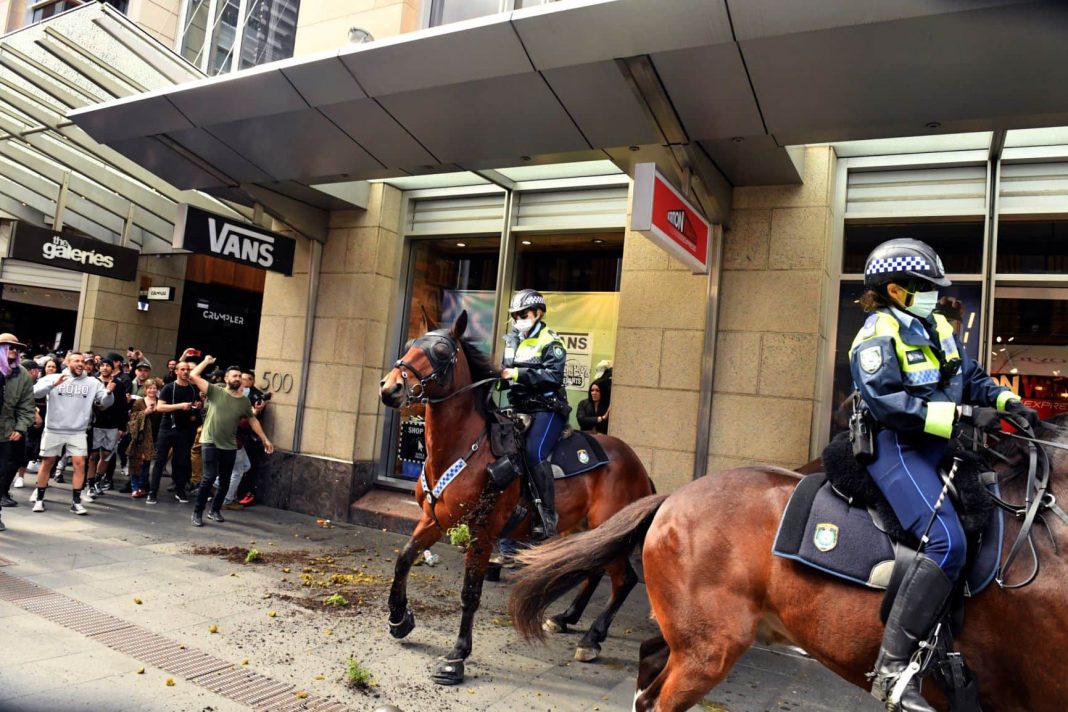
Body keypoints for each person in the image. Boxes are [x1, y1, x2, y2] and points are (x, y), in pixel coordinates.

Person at [850, 238, 1040, 711]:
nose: (935, 294)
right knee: (946, 542)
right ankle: (891, 671)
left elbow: (970, 377)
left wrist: (1005, 402)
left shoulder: (937, 325)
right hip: (897, 445)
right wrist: (960, 417)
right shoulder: (875, 334)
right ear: (895, 289)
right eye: (925, 287)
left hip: (940, 444)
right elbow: (890, 404)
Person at [499, 288, 570, 540]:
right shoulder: (511, 341)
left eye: (523, 313)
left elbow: (553, 377)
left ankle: (547, 516)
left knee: (533, 452)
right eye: (515, 315)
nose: (518, 318)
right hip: (518, 407)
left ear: (538, 313)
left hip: (547, 408)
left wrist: (515, 374)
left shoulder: (551, 340)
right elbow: (504, 375)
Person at [187, 356, 273, 527]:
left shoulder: (243, 401)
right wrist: (206, 361)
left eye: (239, 376)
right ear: (226, 378)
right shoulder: (215, 391)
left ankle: (215, 510)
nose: (238, 379)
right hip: (210, 441)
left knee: (225, 480)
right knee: (209, 477)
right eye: (234, 376)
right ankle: (198, 512)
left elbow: (252, 420)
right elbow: (194, 376)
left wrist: (265, 439)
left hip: (229, 444)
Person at [31, 352, 114, 514]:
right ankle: (39, 499)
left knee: (80, 464)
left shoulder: (92, 382)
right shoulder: (52, 377)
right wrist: (53, 384)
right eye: (77, 361)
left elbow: (105, 403)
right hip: (54, 429)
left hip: (78, 431)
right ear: (68, 362)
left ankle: (76, 502)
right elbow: (35, 393)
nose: (81, 364)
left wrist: (109, 393)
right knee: (47, 463)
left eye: (83, 361)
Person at [148, 353, 201, 504]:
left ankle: (179, 489)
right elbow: (160, 407)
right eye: (182, 369)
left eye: (187, 370)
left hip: (184, 430)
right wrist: (180, 406)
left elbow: (196, 407)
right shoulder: (169, 388)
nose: (185, 372)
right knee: (160, 461)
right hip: (167, 429)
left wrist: (197, 407)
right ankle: (153, 492)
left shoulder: (192, 389)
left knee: (182, 461)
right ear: (176, 371)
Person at [87, 355, 129, 496]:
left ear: (113, 368)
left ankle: (98, 480)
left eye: (108, 365)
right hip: (95, 424)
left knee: (106, 455)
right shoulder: (92, 382)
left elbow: (123, 407)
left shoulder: (119, 384)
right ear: (99, 367)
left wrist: (122, 427)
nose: (105, 368)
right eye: (103, 365)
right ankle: (90, 483)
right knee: (92, 455)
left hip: (112, 425)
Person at [126, 379, 162, 498]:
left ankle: (142, 486)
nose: (152, 390)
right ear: (145, 390)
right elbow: (132, 418)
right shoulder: (139, 402)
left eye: (154, 388)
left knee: (147, 463)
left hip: (155, 436)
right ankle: (135, 487)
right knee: (136, 462)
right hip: (140, 438)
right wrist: (145, 412)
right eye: (149, 388)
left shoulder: (160, 402)